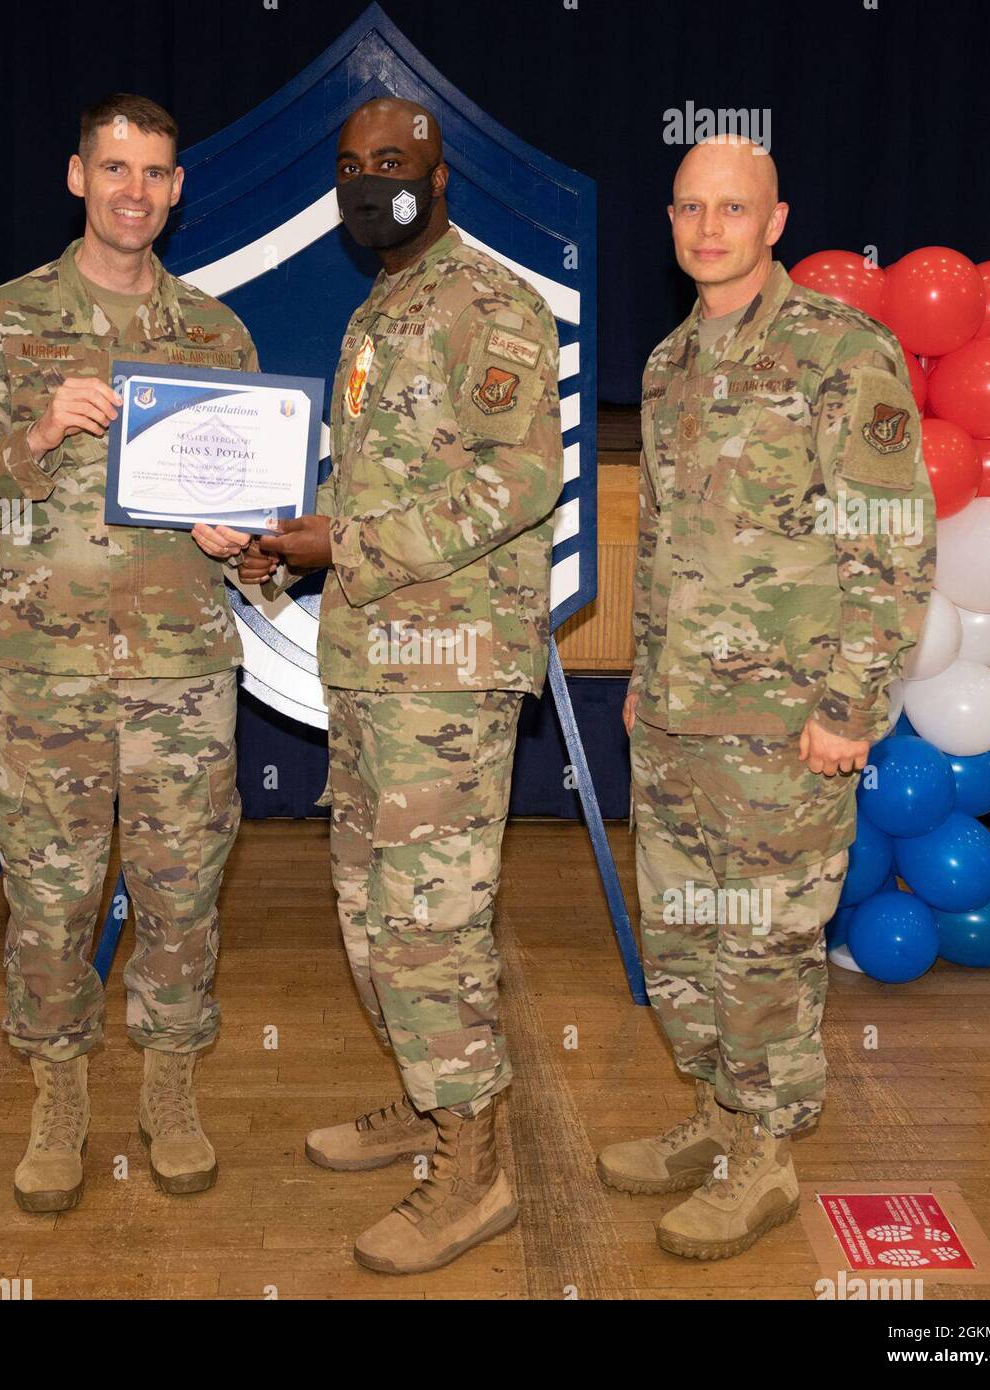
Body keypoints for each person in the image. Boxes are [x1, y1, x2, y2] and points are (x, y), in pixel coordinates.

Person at [209, 95, 562, 1273]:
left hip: (446, 680)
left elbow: (513, 492)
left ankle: (475, 1167)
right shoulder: (381, 312)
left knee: (429, 926)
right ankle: (429, 1097)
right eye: (353, 168)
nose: (373, 185)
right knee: (372, 912)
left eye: (394, 165)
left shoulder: (487, 305)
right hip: (373, 670)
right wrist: (287, 544)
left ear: (440, 173)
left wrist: (338, 548)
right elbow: (378, 494)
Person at [0, 94, 258, 1213]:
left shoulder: (216, 336)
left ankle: (167, 1088)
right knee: (52, 899)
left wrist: (245, 542)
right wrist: (36, 432)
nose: (133, 192)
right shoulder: (4, 324)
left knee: (179, 891)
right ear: (77, 176)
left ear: (175, 189)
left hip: (180, 673)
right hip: (50, 673)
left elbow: (262, 541)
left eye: (155, 173)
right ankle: (58, 1097)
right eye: (115, 168)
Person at [595, 135, 935, 1260]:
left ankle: (766, 1156)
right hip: (685, 718)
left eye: (730, 208)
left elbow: (891, 544)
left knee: (763, 949)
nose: (707, 228)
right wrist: (648, 672)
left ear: (774, 219)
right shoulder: (666, 362)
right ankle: (714, 1111)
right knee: (686, 938)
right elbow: (669, 547)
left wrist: (849, 705)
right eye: (690, 208)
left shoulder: (842, 350)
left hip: (786, 726)